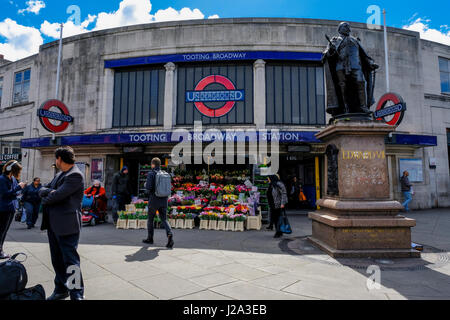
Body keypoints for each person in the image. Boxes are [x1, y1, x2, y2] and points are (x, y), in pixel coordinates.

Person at [39, 146, 85, 300]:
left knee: (71, 262)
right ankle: (60, 289)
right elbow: (43, 189)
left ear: (59, 159)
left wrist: (49, 194)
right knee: (57, 260)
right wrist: (49, 192)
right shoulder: (60, 174)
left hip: (67, 225)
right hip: (53, 224)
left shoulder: (75, 175)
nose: (55, 161)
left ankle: (76, 294)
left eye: (56, 158)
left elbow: (56, 196)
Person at [143, 157, 174, 248]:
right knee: (164, 219)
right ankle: (170, 234)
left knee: (151, 219)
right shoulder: (165, 173)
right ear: (159, 165)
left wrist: (146, 188)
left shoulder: (151, 173)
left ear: (153, 164)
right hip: (164, 199)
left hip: (154, 199)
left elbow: (148, 188)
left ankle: (150, 238)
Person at [0, 160, 26, 259]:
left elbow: (12, 193)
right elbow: (5, 194)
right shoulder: (2, 179)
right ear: (11, 170)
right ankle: (0, 251)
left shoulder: (12, 179)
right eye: (17, 171)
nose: (18, 173)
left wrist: (19, 190)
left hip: (10, 208)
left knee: (4, 230)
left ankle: (1, 249)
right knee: (2, 230)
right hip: (3, 209)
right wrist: (18, 188)